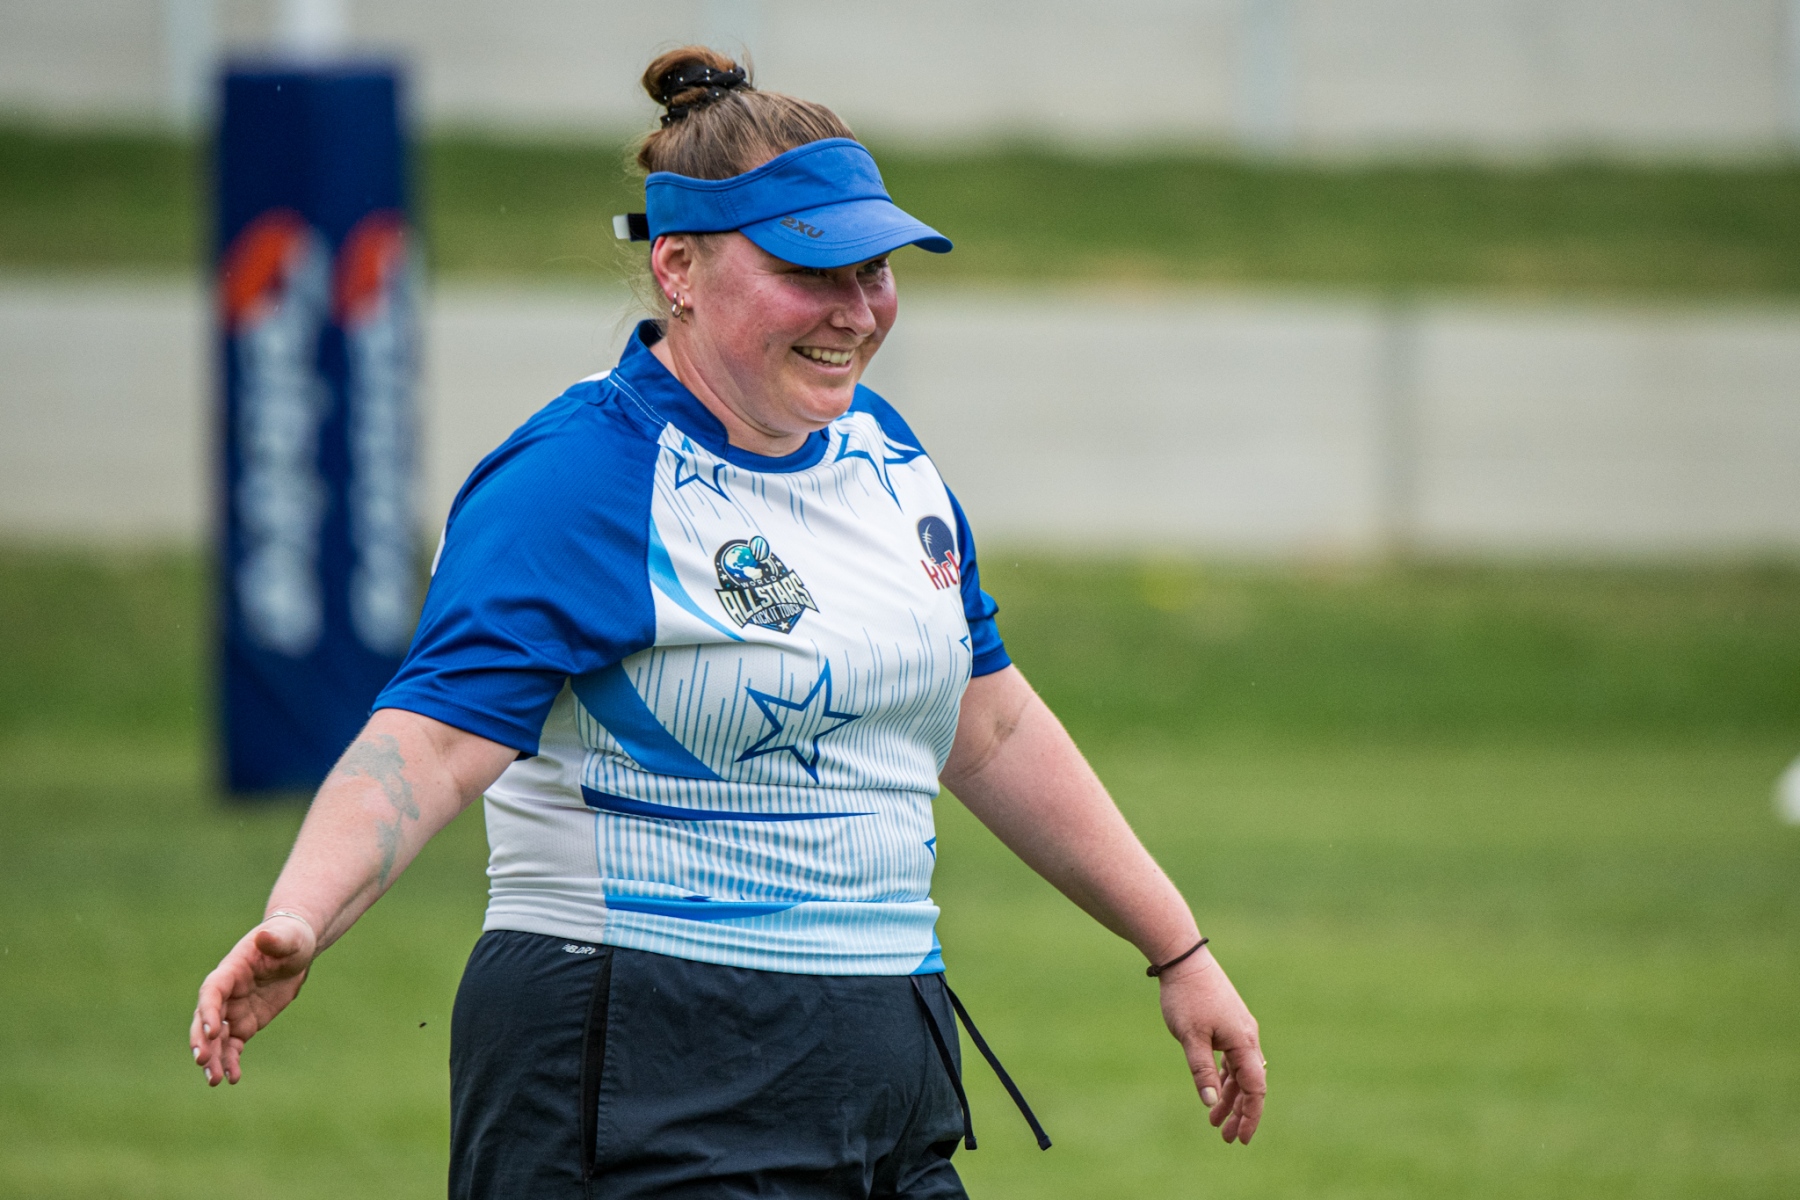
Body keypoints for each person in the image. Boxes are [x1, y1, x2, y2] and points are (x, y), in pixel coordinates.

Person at [190, 47, 1267, 1199]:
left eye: (875, 269)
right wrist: (300, 914)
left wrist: (1177, 947)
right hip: (639, 1071)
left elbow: (988, 726)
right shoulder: (577, 480)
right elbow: (432, 740)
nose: (856, 310)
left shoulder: (887, 457)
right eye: (810, 270)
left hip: (885, 1074)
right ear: (679, 267)